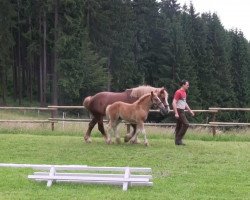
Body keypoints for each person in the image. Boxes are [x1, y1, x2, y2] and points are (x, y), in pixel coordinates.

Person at [172, 80, 195, 145]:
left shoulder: (184, 92)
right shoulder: (178, 92)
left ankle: (177, 142)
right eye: (187, 85)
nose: (188, 86)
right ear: (183, 85)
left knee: (179, 126)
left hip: (182, 111)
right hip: (179, 111)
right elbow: (174, 102)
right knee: (186, 124)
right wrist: (176, 113)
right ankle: (178, 139)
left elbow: (185, 103)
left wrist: (190, 111)